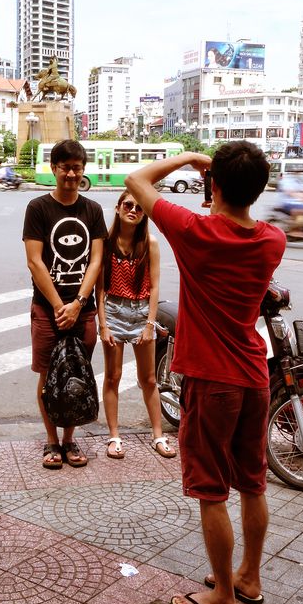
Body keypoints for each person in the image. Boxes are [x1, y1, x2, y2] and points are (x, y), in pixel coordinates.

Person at [125, 141, 286, 604]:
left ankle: (222, 598)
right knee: (253, 484)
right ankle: (249, 578)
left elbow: (136, 182)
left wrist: (190, 162)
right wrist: (214, 182)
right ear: (257, 190)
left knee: (211, 491)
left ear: (213, 184)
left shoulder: (195, 231)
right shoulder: (271, 240)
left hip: (211, 380)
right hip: (254, 376)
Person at [23, 139, 107, 470]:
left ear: (82, 170)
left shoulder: (93, 210)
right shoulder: (38, 208)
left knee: (77, 377)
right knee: (47, 377)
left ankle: (69, 439)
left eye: (76, 167)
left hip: (83, 312)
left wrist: (79, 303)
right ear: (54, 169)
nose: (71, 173)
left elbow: (96, 260)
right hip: (47, 311)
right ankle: (51, 441)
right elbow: (35, 262)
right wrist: (61, 306)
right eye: (65, 167)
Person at [96, 191, 174, 461]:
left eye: (139, 208)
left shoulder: (149, 243)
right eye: (128, 205)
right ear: (118, 208)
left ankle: (158, 436)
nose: (133, 210)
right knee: (113, 377)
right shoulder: (105, 243)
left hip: (142, 312)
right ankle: (114, 436)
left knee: (149, 379)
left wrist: (150, 324)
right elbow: (100, 288)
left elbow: (154, 287)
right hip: (114, 311)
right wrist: (103, 325)